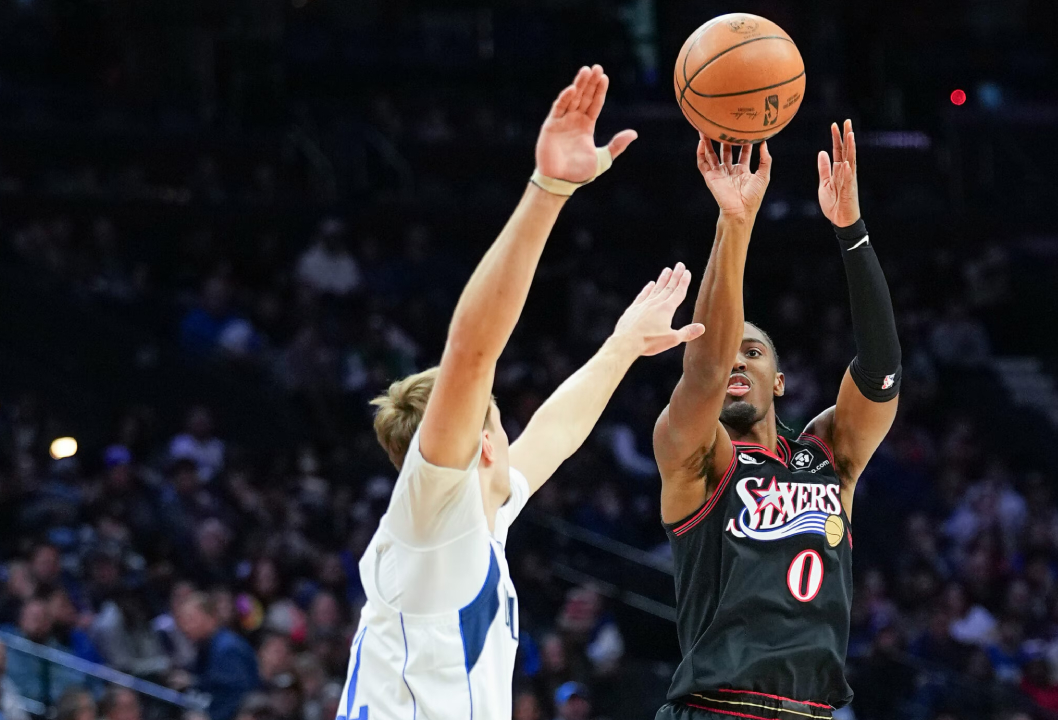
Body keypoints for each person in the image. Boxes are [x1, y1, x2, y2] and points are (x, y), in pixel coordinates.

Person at [335, 65, 699, 720]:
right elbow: (471, 354)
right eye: (501, 426)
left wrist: (622, 347)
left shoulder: (479, 518)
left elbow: (553, 437)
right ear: (479, 443)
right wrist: (549, 189)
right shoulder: (433, 515)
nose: (513, 440)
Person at [653, 121, 901, 719]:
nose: (737, 358)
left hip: (811, 711)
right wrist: (733, 224)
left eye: (754, 351)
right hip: (718, 708)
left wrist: (851, 230)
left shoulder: (827, 454)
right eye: (730, 347)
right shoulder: (695, 454)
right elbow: (706, 370)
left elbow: (881, 371)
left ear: (780, 381)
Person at [173, 594, 259, 720]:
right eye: (182, 621)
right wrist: (192, 681)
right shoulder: (206, 646)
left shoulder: (227, 648)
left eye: (191, 619)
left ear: (210, 617)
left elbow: (239, 695)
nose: (185, 627)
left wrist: (210, 717)